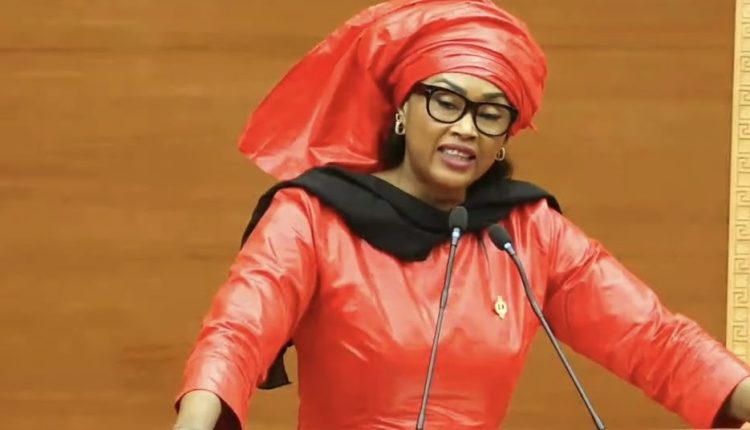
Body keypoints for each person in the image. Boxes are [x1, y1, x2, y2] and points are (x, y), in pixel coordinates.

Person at [171, 1, 750, 429]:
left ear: (504, 137)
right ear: (403, 108)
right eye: (446, 102)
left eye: (490, 113)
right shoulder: (312, 216)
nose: (466, 128)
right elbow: (237, 334)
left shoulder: (524, 232)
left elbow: (655, 340)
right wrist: (196, 420)